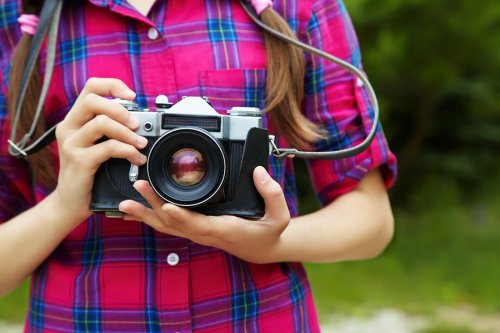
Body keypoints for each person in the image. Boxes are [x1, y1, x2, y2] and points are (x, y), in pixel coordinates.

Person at [0, 0, 397, 331]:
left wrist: (270, 243)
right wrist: (64, 205)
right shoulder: (20, 17)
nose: (184, 167)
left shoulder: (294, 5)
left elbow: (371, 221)